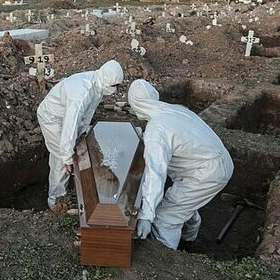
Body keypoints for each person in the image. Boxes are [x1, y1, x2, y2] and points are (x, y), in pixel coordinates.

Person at [127, 79, 233, 249]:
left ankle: (166, 258)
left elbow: (156, 174)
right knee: (181, 204)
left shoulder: (157, 129)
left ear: (135, 105)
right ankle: (189, 239)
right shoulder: (175, 110)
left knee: (165, 218)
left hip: (206, 173)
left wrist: (146, 215)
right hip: (217, 163)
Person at [37, 59, 124, 211]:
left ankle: (66, 183)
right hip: (53, 118)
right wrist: (67, 158)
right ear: (107, 81)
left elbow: (84, 117)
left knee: (69, 152)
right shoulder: (83, 93)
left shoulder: (98, 84)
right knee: (60, 159)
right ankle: (57, 201)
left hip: (65, 118)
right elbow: (69, 126)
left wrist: (82, 134)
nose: (115, 90)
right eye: (114, 86)